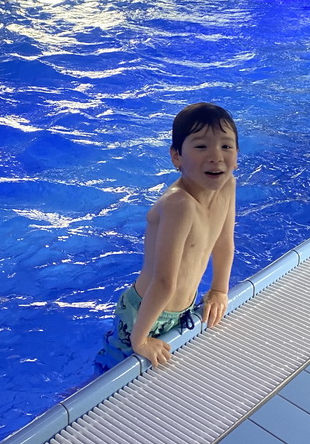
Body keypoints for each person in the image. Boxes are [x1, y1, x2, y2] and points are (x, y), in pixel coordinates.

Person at [100, 102, 238, 368]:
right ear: (176, 156)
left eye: (226, 146)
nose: (216, 156)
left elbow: (223, 243)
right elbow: (164, 281)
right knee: (112, 372)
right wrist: (140, 340)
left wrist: (219, 290)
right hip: (145, 313)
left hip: (181, 309)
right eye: (201, 146)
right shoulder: (180, 205)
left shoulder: (227, 186)